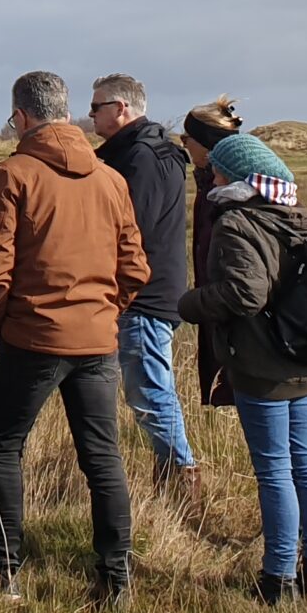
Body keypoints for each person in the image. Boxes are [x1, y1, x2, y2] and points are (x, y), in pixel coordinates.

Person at [0, 70, 149, 605]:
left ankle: (3, 572)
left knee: (2, 448)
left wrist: (1, 320)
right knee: (103, 458)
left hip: (32, 338)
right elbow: (135, 268)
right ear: (67, 113)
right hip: (97, 340)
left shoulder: (13, 173)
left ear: (21, 118)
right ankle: (115, 579)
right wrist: (102, 311)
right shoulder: (111, 178)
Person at [180, 133, 307, 604]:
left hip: (261, 363)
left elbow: (244, 294)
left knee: (273, 471)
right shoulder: (298, 218)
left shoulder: (238, 222)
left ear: (235, 177)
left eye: (218, 169)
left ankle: (278, 580)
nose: (213, 176)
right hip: (304, 357)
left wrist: (190, 302)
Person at [90, 74, 202, 516]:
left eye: (97, 106)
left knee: (150, 391)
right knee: (147, 388)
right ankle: (173, 474)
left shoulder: (141, 157)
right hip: (147, 289)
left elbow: (129, 227)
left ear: (121, 108)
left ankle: (182, 482)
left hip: (144, 293)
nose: (92, 113)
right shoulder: (142, 150)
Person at [180, 96, 245, 407]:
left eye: (186, 138)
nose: (183, 145)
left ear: (206, 144)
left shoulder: (227, 195)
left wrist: (195, 303)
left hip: (246, 336)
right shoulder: (213, 188)